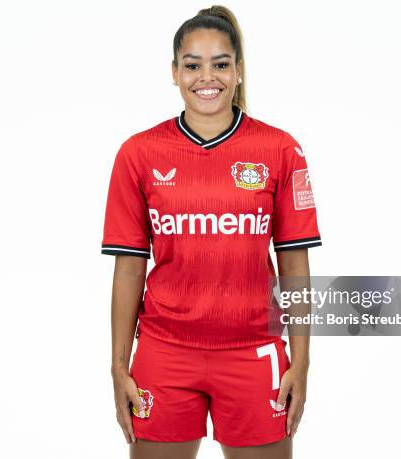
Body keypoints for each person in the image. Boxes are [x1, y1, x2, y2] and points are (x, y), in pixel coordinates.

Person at [101, 5, 322, 459]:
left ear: (238, 70)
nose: (208, 77)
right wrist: (118, 366)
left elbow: (294, 263)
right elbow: (129, 268)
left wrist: (301, 361)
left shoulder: (280, 149)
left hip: (254, 352)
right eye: (193, 65)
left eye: (221, 64)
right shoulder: (138, 154)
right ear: (174, 72)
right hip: (164, 354)